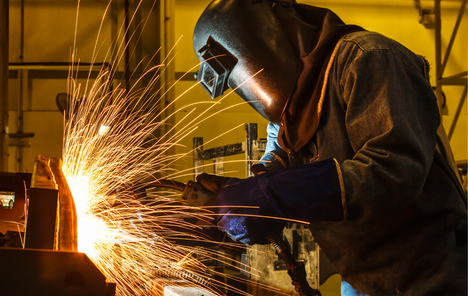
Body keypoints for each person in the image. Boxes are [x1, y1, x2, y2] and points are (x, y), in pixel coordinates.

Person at [191, 1, 468, 295]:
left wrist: (274, 193)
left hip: (432, 275)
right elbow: (275, 174)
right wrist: (230, 206)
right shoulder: (289, 114)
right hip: (360, 280)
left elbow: (392, 173)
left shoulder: (368, 59)